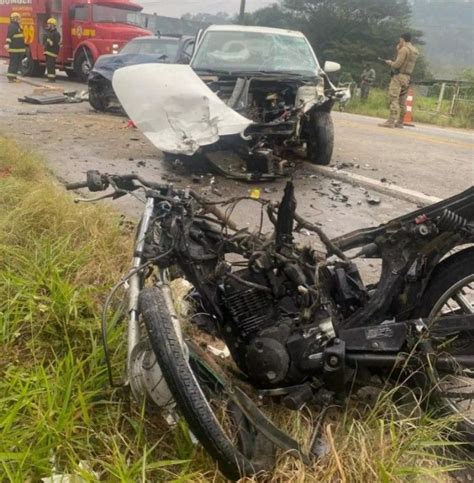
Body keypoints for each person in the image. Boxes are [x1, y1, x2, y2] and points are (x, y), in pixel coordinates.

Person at [379, 33, 419, 128]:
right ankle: (400, 121)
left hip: (398, 77)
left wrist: (390, 63)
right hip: (407, 77)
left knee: (394, 97)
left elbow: (397, 64)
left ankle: (391, 120)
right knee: (402, 101)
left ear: (402, 39)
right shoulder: (414, 51)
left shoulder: (404, 49)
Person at [4, 12, 25, 83]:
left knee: (17, 64)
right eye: (18, 18)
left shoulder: (17, 26)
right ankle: (10, 77)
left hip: (18, 49)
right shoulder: (12, 26)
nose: (19, 19)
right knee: (14, 63)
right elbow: (9, 36)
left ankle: (14, 77)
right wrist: (7, 44)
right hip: (14, 49)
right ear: (15, 18)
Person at [42, 18, 61, 82]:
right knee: (48, 65)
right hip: (48, 51)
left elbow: (55, 43)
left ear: (52, 25)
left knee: (51, 65)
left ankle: (52, 79)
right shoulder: (48, 32)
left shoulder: (56, 34)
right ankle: (50, 78)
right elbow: (44, 41)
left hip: (53, 52)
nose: (48, 25)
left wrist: (49, 41)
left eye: (49, 24)